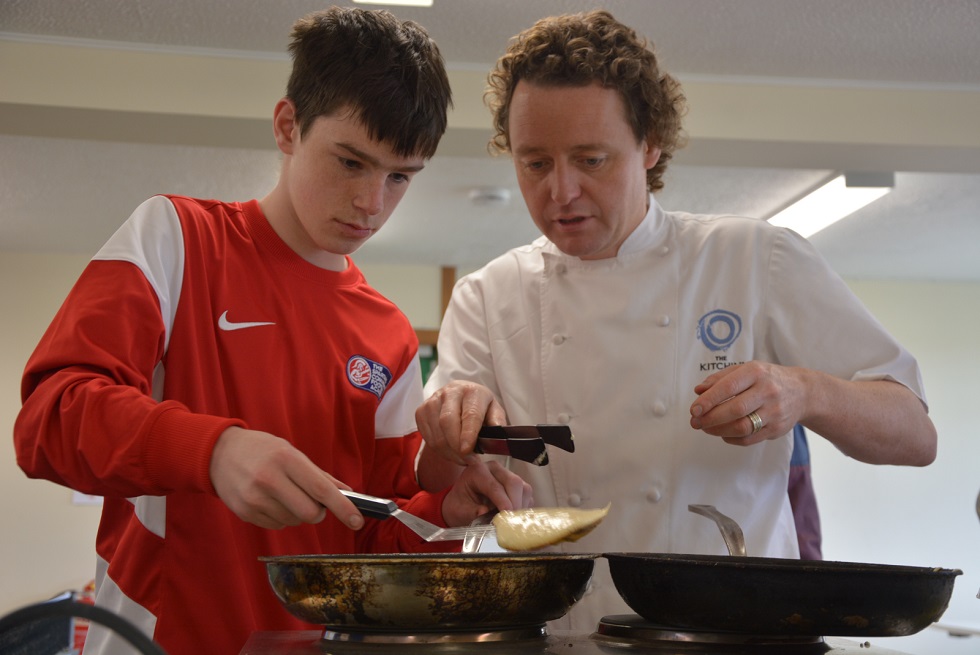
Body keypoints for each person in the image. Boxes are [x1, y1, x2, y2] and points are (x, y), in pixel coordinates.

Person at [13, 7, 530, 655]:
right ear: (288, 126)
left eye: (399, 176)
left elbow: (370, 532)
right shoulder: (174, 239)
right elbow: (48, 421)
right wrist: (214, 450)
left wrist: (445, 512)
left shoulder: (390, 334)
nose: (373, 201)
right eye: (350, 162)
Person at [415, 9, 936, 630]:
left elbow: (914, 434)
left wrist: (806, 392)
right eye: (534, 164)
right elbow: (435, 473)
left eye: (591, 160)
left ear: (650, 144)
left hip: (737, 633)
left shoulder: (754, 258)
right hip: (561, 634)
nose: (560, 192)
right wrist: (451, 427)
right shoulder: (488, 293)